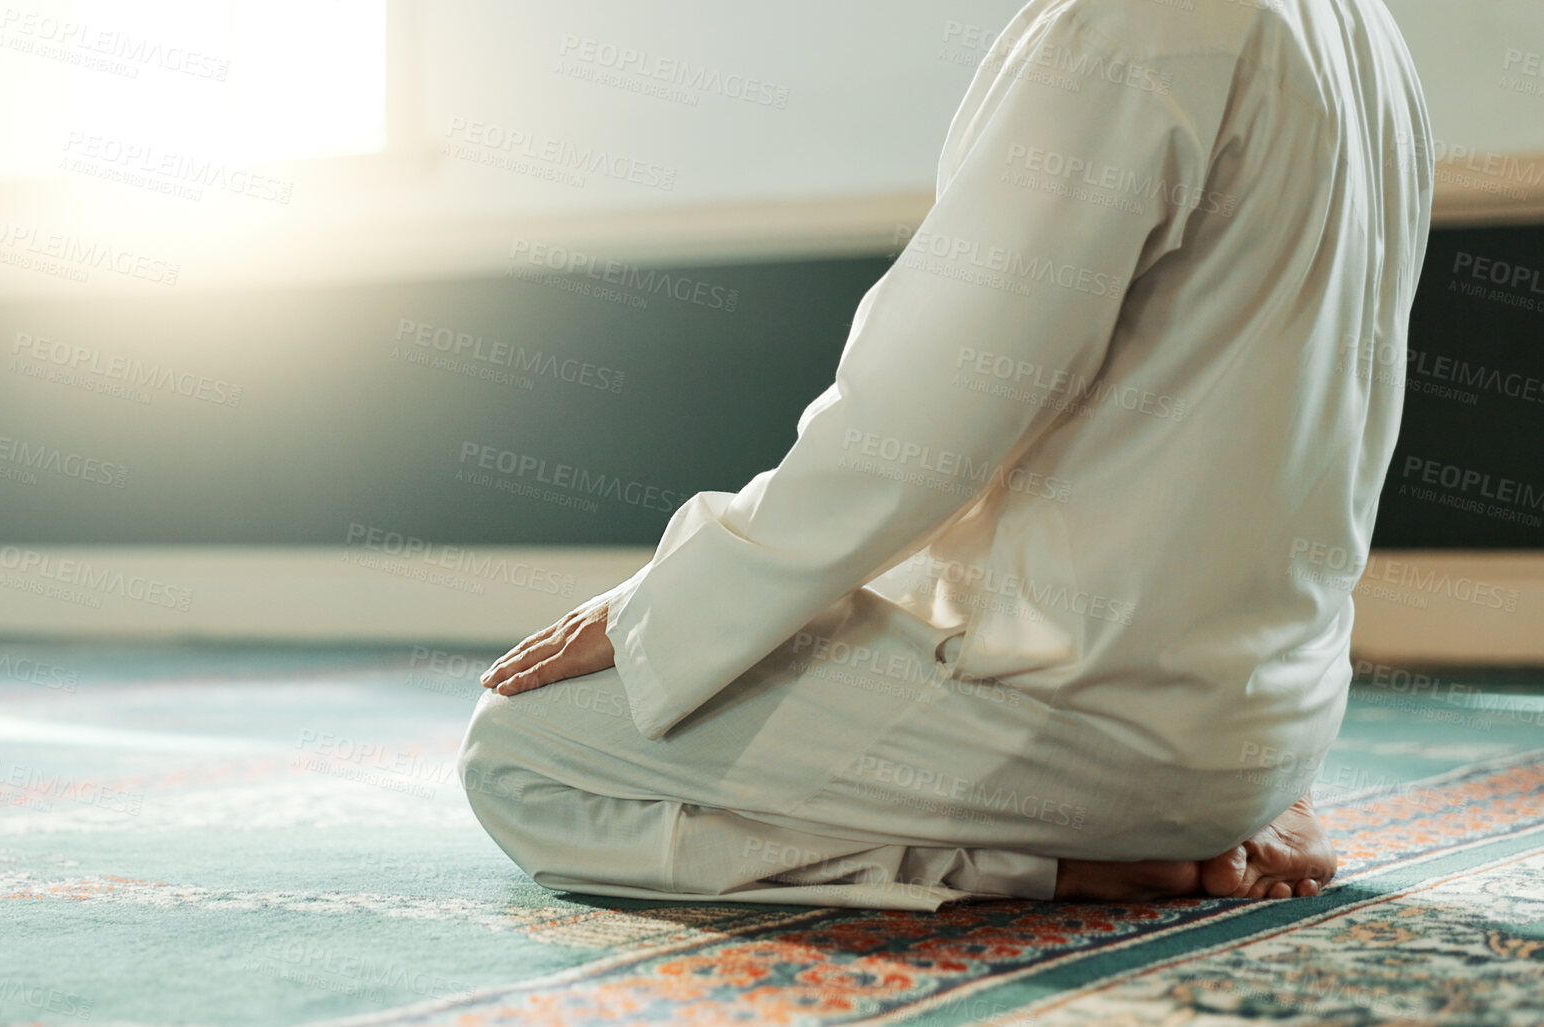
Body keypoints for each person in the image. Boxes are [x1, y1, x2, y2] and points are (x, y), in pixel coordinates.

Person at [457, 0, 1434, 908]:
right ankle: (1192, 813)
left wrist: (662, 607)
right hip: (1277, 724)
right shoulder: (1364, 33)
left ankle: (1074, 858)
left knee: (521, 755)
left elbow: (923, 422)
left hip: (1100, 720)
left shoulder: (1130, 26)